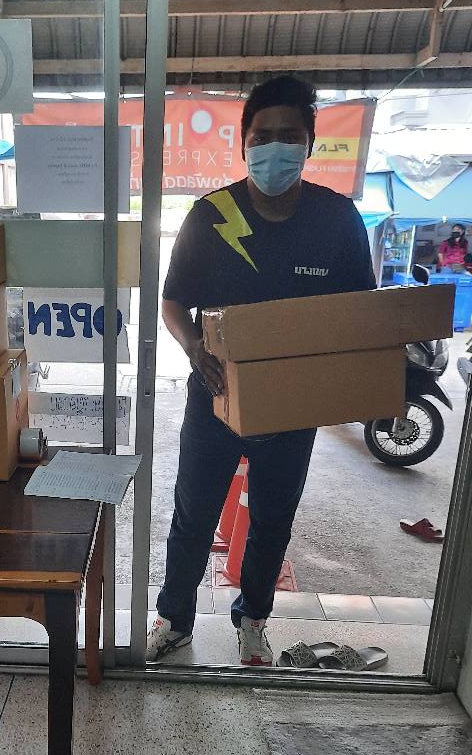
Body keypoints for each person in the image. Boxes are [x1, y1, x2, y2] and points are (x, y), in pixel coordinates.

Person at [146, 75, 376, 666]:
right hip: (215, 398)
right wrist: (194, 349)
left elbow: (361, 315)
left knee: (272, 521)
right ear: (244, 143)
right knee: (193, 516)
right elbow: (172, 302)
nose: (276, 148)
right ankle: (174, 620)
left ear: (309, 144)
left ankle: (252, 619)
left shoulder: (337, 220)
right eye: (263, 136)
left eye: (289, 136)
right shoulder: (211, 216)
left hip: (293, 408)